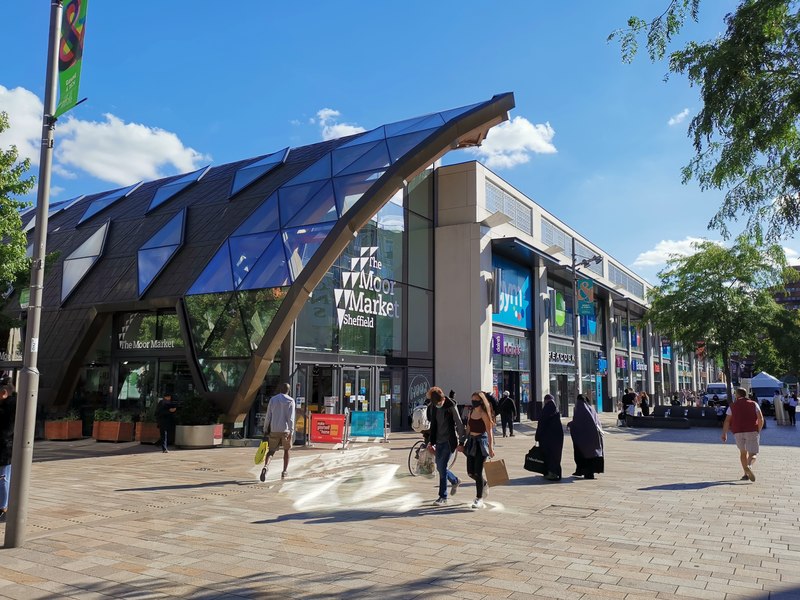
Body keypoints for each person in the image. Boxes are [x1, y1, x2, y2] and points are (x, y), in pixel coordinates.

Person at [426, 386, 465, 506]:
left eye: (440, 402)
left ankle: (443, 496)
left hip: (449, 441)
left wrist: (462, 441)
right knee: (440, 467)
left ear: (443, 398)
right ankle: (455, 480)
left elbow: (459, 423)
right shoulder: (433, 407)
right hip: (438, 440)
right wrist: (430, 442)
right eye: (436, 403)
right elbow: (432, 426)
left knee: (442, 467)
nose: (439, 404)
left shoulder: (450, 405)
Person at [721, 387, 764, 482]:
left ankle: (745, 474)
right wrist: (758, 429)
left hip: (738, 431)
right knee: (753, 454)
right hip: (752, 430)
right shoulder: (754, 404)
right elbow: (760, 418)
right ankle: (749, 466)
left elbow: (727, 421)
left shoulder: (732, 406)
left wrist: (724, 433)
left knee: (743, 453)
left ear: (737, 395)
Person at [464, 391, 495, 509]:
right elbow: (468, 428)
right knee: (470, 472)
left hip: (481, 444)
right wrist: (462, 442)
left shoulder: (484, 414)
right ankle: (484, 483)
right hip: (471, 442)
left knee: (478, 472)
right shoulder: (471, 412)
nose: (473, 402)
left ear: (481, 401)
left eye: (476, 400)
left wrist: (491, 448)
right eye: (472, 400)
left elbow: (489, 432)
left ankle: (479, 498)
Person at [260, 383, 295, 482]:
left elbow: (268, 416)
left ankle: (266, 466)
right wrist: (291, 432)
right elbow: (291, 418)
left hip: (274, 429)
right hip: (285, 430)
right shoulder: (291, 401)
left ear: (280, 389)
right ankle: (284, 472)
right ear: (289, 390)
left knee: (271, 451)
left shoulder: (273, 399)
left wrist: (266, 428)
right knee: (287, 450)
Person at [568, 394, 604, 479]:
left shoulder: (580, 409)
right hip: (594, 437)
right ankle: (589, 473)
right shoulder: (591, 408)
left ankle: (583, 471)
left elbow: (578, 424)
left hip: (583, 439)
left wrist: (570, 424)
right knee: (592, 455)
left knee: (583, 454)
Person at [535, 394, 563, 481]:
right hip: (557, 437)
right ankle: (555, 472)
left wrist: (537, 436)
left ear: (546, 400)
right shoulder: (555, 408)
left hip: (548, 437)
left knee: (549, 455)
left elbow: (542, 423)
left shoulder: (547, 409)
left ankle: (552, 473)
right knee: (556, 455)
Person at [0, 383, 16, 523]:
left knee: (3, 479)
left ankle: (3, 508)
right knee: (3, 478)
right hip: (5, 448)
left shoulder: (9, 407)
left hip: (4, 449)